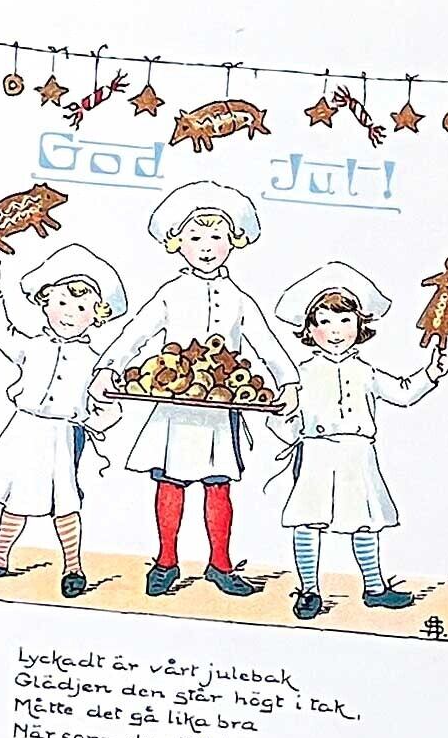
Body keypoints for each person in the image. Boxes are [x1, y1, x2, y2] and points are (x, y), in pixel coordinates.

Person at [92, 180, 300, 597]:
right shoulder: (170, 294)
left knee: (218, 485)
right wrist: (107, 367)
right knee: (170, 482)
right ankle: (166, 561)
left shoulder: (239, 299)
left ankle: (220, 564)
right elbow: (136, 333)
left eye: (217, 237)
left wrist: (289, 381)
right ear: (178, 243)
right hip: (173, 408)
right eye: (195, 238)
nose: (206, 247)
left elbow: (266, 343)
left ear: (233, 241)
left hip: (220, 412)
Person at [270, 262, 448, 620]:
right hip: (317, 453)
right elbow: (281, 414)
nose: (335, 331)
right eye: (324, 321)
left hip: (358, 454)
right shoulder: (300, 374)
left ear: (360, 325)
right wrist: (289, 421)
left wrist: (431, 372)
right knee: (308, 519)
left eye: (344, 320)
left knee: (365, 520)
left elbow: (402, 392)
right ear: (309, 329)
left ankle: (375, 588)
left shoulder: (365, 371)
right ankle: (309, 590)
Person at [0, 244, 126, 598]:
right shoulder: (32, 346)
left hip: (62, 437)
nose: (68, 314)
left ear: (96, 316)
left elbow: (110, 408)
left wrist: (95, 419)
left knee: (64, 503)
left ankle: (73, 567)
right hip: (24, 430)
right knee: (15, 496)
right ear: (45, 302)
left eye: (81, 308)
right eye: (61, 302)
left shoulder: (96, 361)